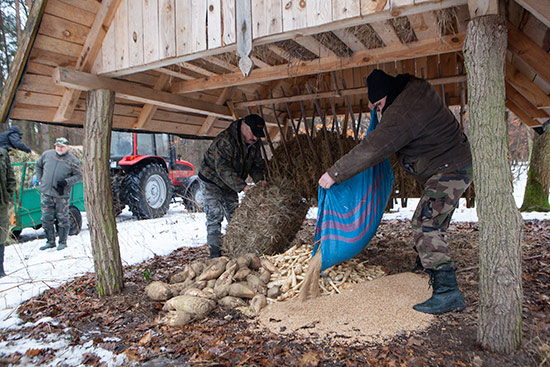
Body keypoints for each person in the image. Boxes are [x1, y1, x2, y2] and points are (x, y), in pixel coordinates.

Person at [318, 69, 473, 315]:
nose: (378, 111)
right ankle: (424, 268)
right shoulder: (411, 89)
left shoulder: (403, 111)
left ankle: (448, 291)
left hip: (450, 169)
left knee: (425, 223)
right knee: (435, 220)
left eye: (378, 105)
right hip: (450, 164)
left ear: (388, 96)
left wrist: (334, 174)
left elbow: (373, 148)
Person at [198, 114, 267, 258]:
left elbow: (256, 165)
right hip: (212, 180)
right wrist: (243, 186)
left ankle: (237, 249)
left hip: (231, 182)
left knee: (235, 215)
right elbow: (223, 169)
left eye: (257, 136)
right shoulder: (225, 141)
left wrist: (261, 181)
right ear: (244, 127)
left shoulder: (254, 142)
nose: (255, 138)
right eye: (253, 134)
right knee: (215, 214)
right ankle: (215, 253)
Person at [35, 137, 82, 251]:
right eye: (58, 146)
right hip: (46, 192)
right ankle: (50, 241)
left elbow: (79, 176)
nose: (59, 148)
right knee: (46, 218)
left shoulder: (73, 160)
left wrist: (66, 182)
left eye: (62, 146)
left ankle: (62, 242)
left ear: (67, 147)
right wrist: (39, 178)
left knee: (63, 218)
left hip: (61, 194)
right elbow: (38, 165)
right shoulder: (47, 155)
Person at [0, 148, 16, 277]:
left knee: (1, 234)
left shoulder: (2, 153)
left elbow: (10, 177)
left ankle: (0, 269)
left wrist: (8, 196)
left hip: (1, 203)